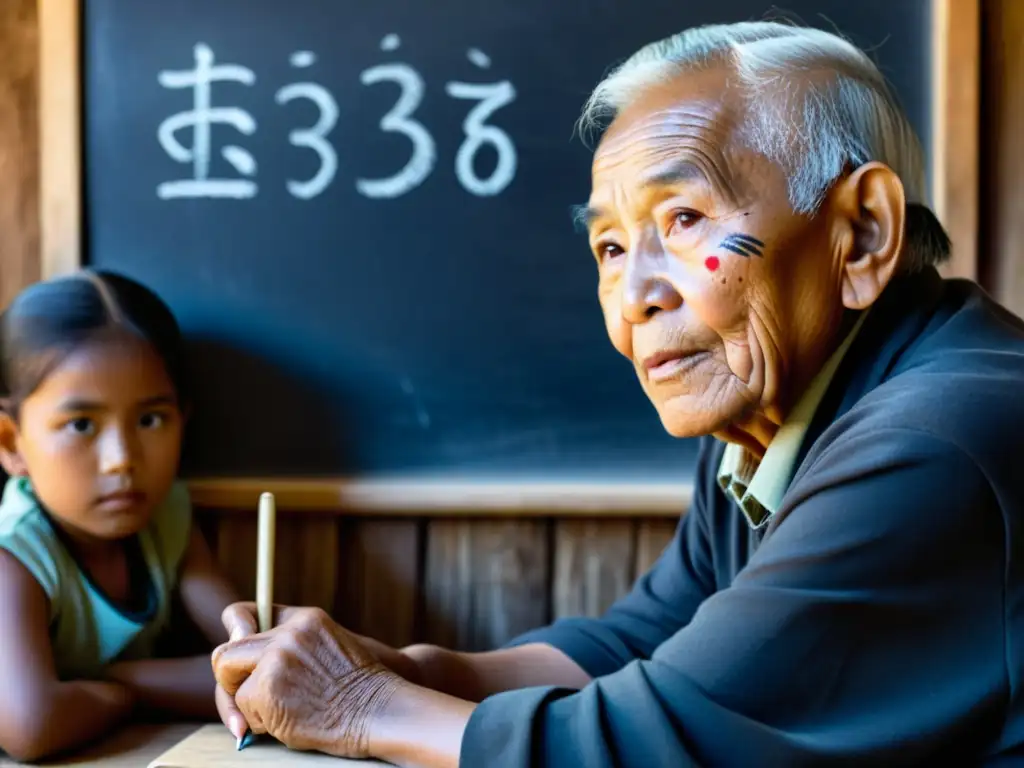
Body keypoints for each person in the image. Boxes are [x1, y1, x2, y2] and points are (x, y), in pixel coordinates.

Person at [211, 20, 1024, 766]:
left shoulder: (935, 440)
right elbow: (646, 636)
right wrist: (407, 667)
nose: (634, 294)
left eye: (682, 219)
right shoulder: (769, 421)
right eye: (608, 245)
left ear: (862, 235)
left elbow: (653, 740)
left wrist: (358, 704)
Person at [0, 270, 241, 761]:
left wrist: (111, 681)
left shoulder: (166, 514)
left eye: (150, 420)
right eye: (82, 424)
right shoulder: (15, 553)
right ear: (11, 443)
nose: (122, 459)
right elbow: (30, 725)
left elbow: (251, 659)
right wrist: (136, 691)